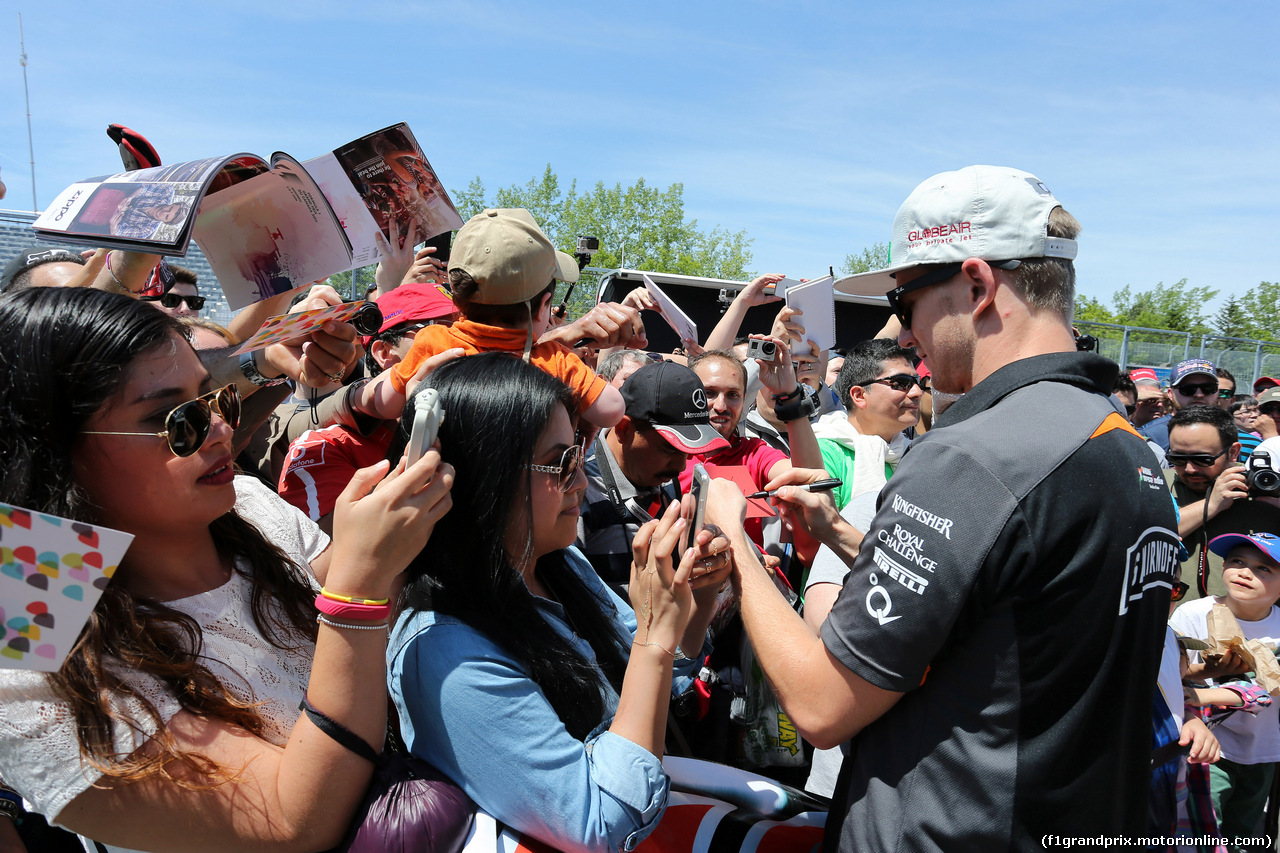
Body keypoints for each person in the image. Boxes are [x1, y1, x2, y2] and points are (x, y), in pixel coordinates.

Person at [715, 165, 1179, 849]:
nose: (904, 334)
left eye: (905, 303)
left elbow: (820, 703)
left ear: (977, 286)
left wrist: (734, 537)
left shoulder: (976, 455)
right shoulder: (1127, 446)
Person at [0, 287, 453, 852]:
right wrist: (358, 590)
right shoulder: (28, 635)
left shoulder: (243, 500)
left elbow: (333, 586)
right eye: (176, 421)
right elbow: (294, 820)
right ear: (52, 452)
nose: (218, 430)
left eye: (214, 400)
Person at [387, 353, 730, 853]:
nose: (582, 481)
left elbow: (665, 683)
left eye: (579, 454)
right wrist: (654, 637)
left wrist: (695, 599)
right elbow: (601, 821)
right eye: (562, 462)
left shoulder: (558, 562)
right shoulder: (444, 651)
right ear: (488, 474)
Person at [361, 208, 629, 428]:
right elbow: (612, 410)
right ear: (543, 307)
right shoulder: (555, 360)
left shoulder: (433, 342)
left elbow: (384, 403)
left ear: (455, 302)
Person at [577, 360, 729, 591]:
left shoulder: (663, 477)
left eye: (688, 450)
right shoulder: (577, 490)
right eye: (670, 448)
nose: (680, 466)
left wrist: (698, 559)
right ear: (623, 429)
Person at [1170, 533, 1280, 851]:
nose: (1246, 572)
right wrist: (1206, 674)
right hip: (1208, 748)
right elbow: (1172, 671)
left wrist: (1205, 694)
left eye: (1264, 569)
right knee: (1205, 827)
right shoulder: (1193, 614)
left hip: (1263, 749)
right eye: (1237, 562)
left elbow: (1266, 689)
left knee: (1244, 832)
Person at [1166, 405, 1280, 599]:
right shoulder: (1159, 483)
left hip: (1253, 624)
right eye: (1177, 458)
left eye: (1203, 459)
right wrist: (1211, 505)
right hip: (1174, 621)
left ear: (1233, 452)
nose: (1190, 469)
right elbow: (1144, 534)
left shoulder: (1262, 488)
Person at [1139, 359, 1221, 453]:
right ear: (1170, 394)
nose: (1199, 394)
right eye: (1188, 389)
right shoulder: (1149, 435)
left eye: (1208, 388)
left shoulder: (1227, 431)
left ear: (1217, 392)